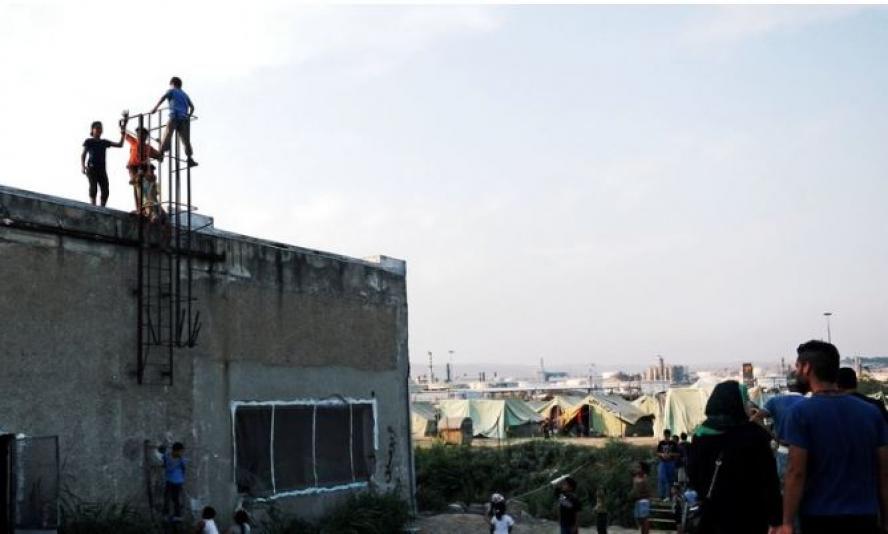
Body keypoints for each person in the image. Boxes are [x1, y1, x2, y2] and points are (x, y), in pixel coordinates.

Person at [777, 341, 888, 534]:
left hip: (819, 518)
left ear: (807, 367)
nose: (796, 372)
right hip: (865, 517)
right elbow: (884, 471)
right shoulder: (871, 413)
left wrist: (787, 522)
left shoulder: (800, 414)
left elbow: (796, 472)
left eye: (797, 366)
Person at [687, 380, 781, 534]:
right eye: (745, 400)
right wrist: (776, 519)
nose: (748, 405)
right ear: (736, 403)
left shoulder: (700, 435)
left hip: (713, 517)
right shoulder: (754, 436)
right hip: (749, 518)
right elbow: (769, 481)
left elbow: (693, 475)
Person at [151, 76, 198, 167]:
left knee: (167, 134)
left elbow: (163, 97)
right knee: (186, 140)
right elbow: (192, 107)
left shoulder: (172, 91)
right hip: (184, 119)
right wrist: (188, 116)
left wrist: (155, 108)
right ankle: (189, 159)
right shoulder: (185, 94)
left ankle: (161, 153)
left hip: (174, 116)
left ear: (173, 84)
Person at [80, 120, 124, 206]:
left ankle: (102, 207)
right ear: (92, 130)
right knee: (93, 188)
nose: (99, 130)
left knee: (105, 190)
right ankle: (93, 206)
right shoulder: (89, 141)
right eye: (97, 128)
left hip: (102, 169)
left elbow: (120, 145)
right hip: (91, 168)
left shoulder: (104, 142)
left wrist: (123, 133)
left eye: (101, 128)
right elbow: (83, 154)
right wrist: (83, 166)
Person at [124, 125, 162, 217]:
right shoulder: (134, 142)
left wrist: (160, 144)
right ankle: (140, 209)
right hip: (134, 167)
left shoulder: (148, 147)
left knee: (145, 189)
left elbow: (159, 156)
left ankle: (147, 210)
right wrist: (124, 123)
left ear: (146, 136)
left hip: (144, 168)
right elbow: (124, 134)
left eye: (143, 134)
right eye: (139, 134)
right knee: (137, 187)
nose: (140, 136)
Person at [161, 442, 187, 521]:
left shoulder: (181, 459)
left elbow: (184, 468)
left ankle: (177, 515)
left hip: (178, 482)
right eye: (180, 451)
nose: (181, 453)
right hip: (169, 480)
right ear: (175, 450)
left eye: (182, 452)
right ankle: (166, 514)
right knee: (167, 498)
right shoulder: (167, 456)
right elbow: (164, 458)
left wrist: (182, 477)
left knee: (176, 499)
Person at [655, 429, 679, 499]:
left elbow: (678, 454)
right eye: (665, 435)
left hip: (671, 463)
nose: (666, 437)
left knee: (670, 479)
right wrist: (662, 454)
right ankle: (661, 495)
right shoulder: (661, 443)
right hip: (663, 462)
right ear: (664, 435)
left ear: (669, 435)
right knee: (662, 478)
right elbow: (657, 452)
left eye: (668, 436)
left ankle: (669, 495)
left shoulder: (673, 443)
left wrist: (671, 454)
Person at [628, 461, 652, 534]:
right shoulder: (635, 477)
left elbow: (648, 491)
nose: (637, 469)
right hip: (637, 501)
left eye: (639, 467)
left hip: (643, 501)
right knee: (640, 520)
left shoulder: (644, 478)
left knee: (644, 519)